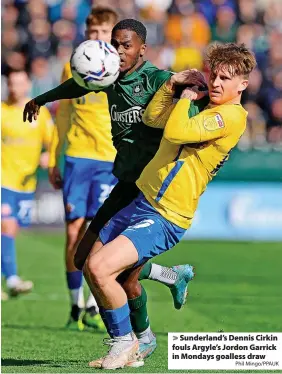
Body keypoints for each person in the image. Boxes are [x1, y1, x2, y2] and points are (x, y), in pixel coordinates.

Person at [23, 19, 205, 361]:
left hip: (149, 192)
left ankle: (138, 341)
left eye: (126, 45)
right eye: (116, 44)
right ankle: (170, 276)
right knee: (82, 259)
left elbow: (191, 98)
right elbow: (79, 86)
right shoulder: (108, 75)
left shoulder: (157, 80)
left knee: (120, 275)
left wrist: (193, 87)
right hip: (124, 185)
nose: (120, 52)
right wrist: (43, 99)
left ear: (142, 49)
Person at [80, 42, 256, 369]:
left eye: (225, 78)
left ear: (242, 85)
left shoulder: (231, 117)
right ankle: (140, 337)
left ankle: (124, 343)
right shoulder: (204, 103)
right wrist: (173, 85)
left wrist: (186, 99)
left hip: (167, 215)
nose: (216, 83)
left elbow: (175, 132)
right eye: (213, 75)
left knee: (101, 268)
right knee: (95, 267)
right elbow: (152, 117)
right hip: (141, 200)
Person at [48, 6, 118, 332]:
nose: (96, 37)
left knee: (97, 233)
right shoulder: (72, 66)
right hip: (77, 157)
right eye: (92, 32)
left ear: (113, 35)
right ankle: (75, 303)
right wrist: (53, 158)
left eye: (103, 33)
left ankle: (93, 302)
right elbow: (62, 115)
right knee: (73, 231)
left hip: (108, 160)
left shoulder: (119, 69)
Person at [1, 69, 53, 298]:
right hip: (3, 179)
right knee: (7, 226)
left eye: (19, 83)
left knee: (11, 230)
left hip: (27, 184)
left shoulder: (39, 114)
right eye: (11, 83)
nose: (14, 88)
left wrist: (48, 156)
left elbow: (53, 142)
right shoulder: (2, 111)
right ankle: (12, 280)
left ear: (28, 85)